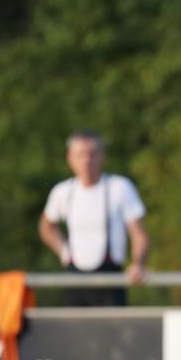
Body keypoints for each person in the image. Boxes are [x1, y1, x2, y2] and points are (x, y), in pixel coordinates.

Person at [38, 130, 149, 306]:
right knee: (75, 332)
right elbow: (46, 226)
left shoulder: (120, 187)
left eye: (92, 154)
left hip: (111, 279)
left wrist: (138, 263)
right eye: (80, 155)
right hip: (75, 278)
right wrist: (63, 251)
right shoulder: (63, 192)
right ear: (70, 158)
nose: (86, 160)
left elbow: (138, 234)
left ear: (102, 156)